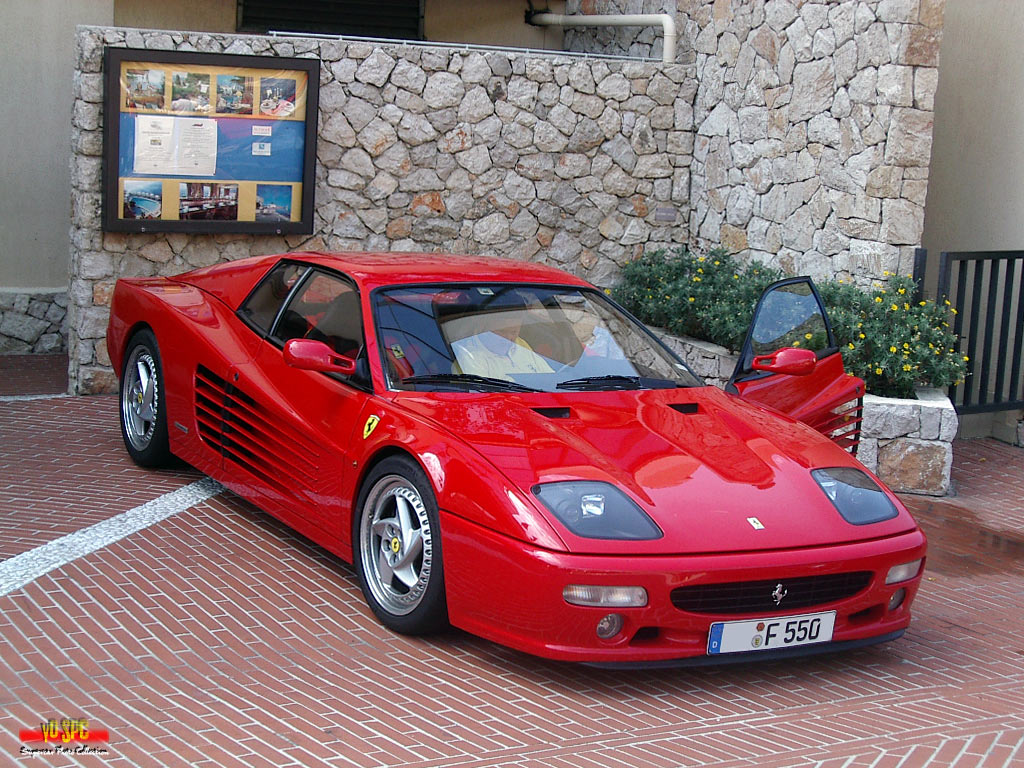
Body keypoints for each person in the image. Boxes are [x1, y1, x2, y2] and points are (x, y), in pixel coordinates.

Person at [450, 306, 552, 381]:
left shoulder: (520, 344)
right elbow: (482, 396)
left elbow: (551, 378)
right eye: (501, 332)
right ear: (484, 327)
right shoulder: (469, 356)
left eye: (513, 332)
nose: (508, 338)